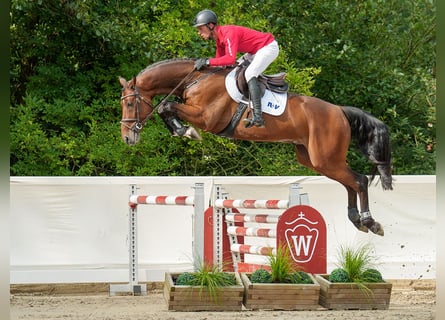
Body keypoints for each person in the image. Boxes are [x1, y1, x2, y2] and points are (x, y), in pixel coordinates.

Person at [193, 9, 279, 128]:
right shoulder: (219, 39)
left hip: (268, 47)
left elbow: (230, 59)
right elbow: (221, 63)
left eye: (201, 28)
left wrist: (207, 61)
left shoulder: (228, 33)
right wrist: (206, 65)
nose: (199, 32)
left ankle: (258, 116)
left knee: (249, 73)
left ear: (211, 25)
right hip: (254, 52)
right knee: (234, 72)